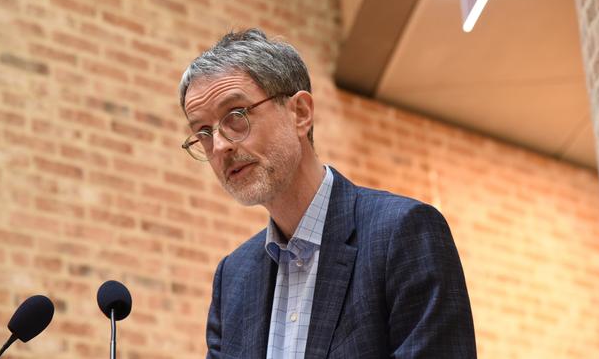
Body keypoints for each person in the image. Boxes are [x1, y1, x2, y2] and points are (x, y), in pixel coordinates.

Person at [178, 28, 477, 359]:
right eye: (203, 132)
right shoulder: (232, 279)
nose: (220, 146)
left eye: (236, 116)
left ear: (300, 113)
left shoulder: (402, 232)